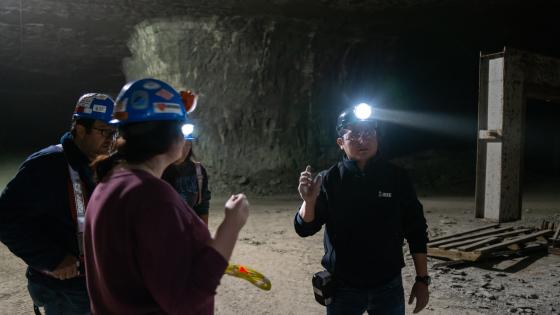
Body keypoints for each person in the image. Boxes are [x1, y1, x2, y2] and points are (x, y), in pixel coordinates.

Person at [84, 78, 249, 314]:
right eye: (183, 126)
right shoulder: (151, 197)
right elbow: (184, 300)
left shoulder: (108, 183)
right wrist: (230, 226)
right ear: (171, 135)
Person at [294, 103, 430, 315]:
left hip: (388, 286)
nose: (362, 139)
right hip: (342, 288)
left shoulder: (397, 178)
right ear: (341, 143)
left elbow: (416, 229)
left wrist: (422, 280)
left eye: (368, 132)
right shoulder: (329, 179)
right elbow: (304, 228)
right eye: (354, 134)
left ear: (377, 137)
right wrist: (308, 202)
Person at [0, 93, 117, 315]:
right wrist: (52, 258)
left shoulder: (103, 166)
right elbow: (6, 218)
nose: (111, 139)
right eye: (105, 131)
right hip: (66, 291)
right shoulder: (47, 166)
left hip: (99, 282)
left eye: (115, 133)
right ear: (80, 129)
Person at [163, 138, 211, 225]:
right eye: (179, 144)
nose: (183, 150)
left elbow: (202, 205)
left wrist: (204, 234)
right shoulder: (158, 172)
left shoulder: (198, 171)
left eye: (187, 145)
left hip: (186, 230)